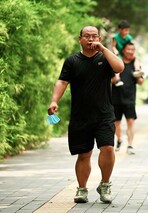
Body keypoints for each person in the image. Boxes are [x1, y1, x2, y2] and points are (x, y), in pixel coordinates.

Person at [47, 26, 124, 204]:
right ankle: (82, 189)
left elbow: (119, 67)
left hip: (104, 114)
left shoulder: (105, 58)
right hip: (80, 115)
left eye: (94, 36)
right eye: (87, 36)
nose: (91, 40)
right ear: (79, 39)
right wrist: (54, 101)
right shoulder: (72, 61)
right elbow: (62, 81)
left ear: (98, 38)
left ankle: (105, 185)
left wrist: (104, 48)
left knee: (108, 148)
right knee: (84, 154)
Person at [111, 42, 144, 154]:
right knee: (116, 123)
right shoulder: (116, 63)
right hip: (115, 98)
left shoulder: (135, 64)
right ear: (124, 51)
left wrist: (139, 76)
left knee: (130, 123)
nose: (130, 52)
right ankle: (119, 139)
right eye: (128, 49)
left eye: (132, 50)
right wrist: (114, 80)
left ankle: (130, 145)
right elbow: (110, 79)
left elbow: (140, 82)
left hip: (130, 98)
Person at [112, 20, 142, 87]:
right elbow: (113, 46)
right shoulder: (116, 37)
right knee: (118, 64)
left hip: (126, 53)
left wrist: (131, 51)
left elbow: (130, 45)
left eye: (128, 30)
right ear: (120, 30)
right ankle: (117, 79)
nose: (127, 32)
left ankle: (137, 70)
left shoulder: (129, 37)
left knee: (135, 59)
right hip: (119, 53)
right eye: (125, 30)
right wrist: (115, 51)